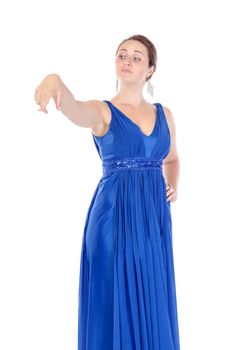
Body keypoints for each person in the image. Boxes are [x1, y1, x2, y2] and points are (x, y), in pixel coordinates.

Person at [34, 34, 181, 350]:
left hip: (152, 222)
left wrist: (173, 185)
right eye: (122, 55)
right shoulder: (103, 111)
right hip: (113, 219)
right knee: (113, 299)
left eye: (136, 57)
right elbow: (74, 109)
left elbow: (172, 158)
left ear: (150, 69)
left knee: (152, 299)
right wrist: (55, 80)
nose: (127, 61)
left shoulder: (164, 114)